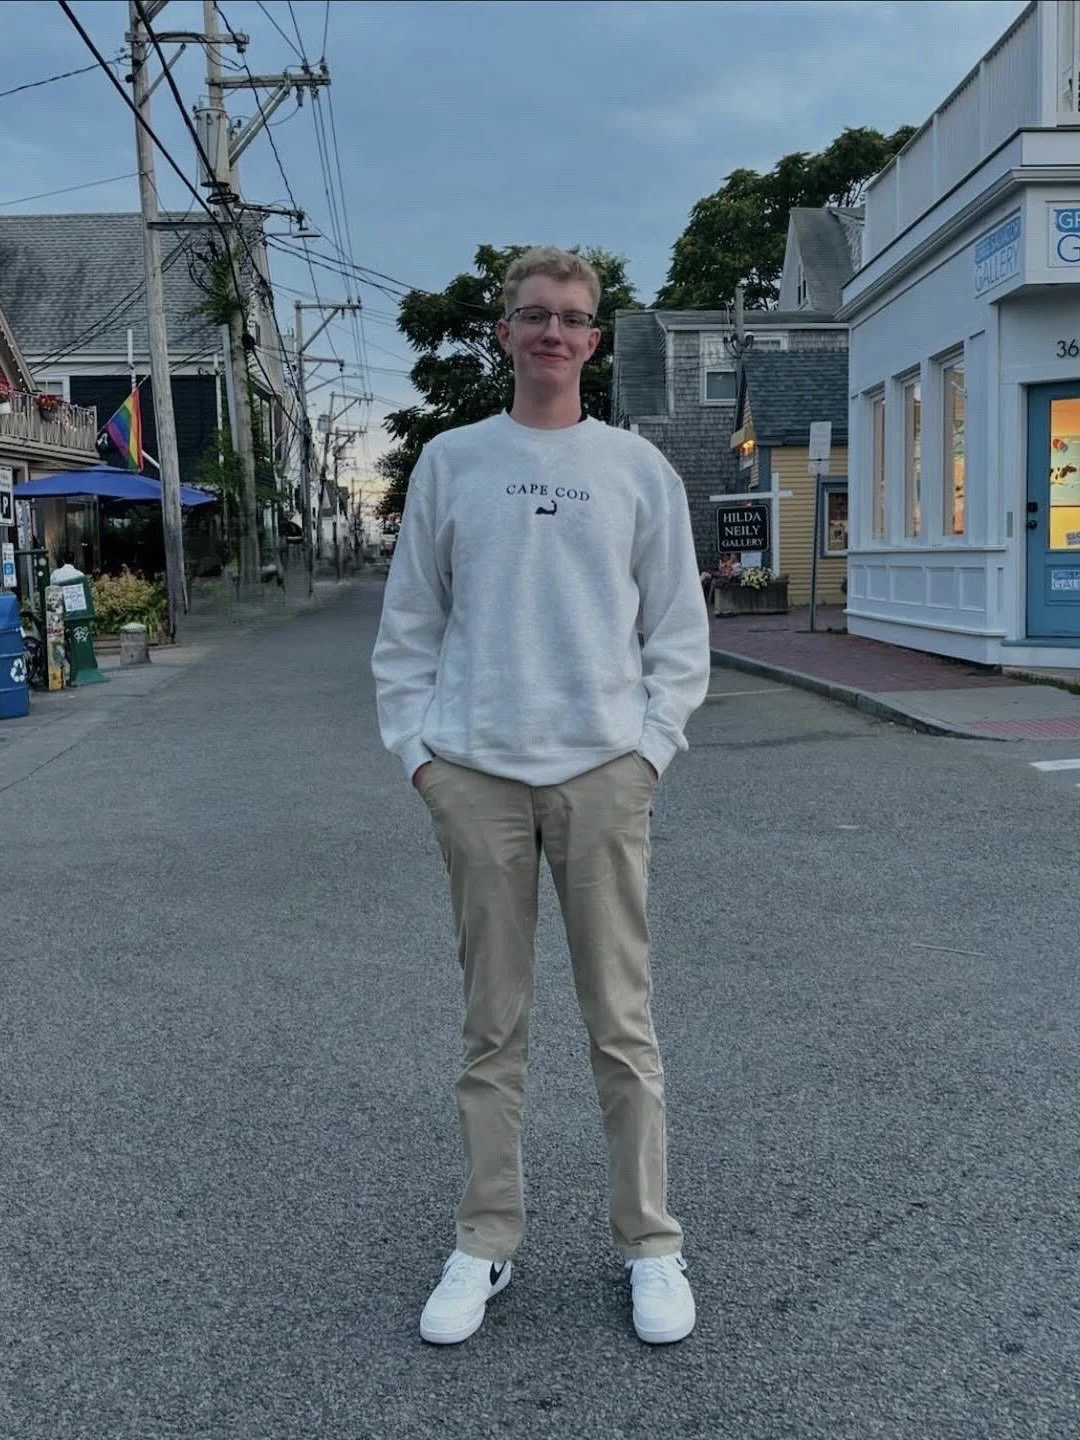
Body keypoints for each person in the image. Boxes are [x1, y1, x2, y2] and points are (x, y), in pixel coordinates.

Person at [371, 246, 710, 1347]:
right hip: (477, 772)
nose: (553, 333)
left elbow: (677, 632)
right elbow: (411, 625)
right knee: (492, 1028)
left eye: (572, 318)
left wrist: (649, 751)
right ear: (504, 334)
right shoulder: (453, 462)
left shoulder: (635, 470)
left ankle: (649, 1243)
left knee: (622, 1021)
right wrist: (422, 758)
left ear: (595, 340)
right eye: (533, 316)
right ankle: (485, 1241)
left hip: (603, 773)